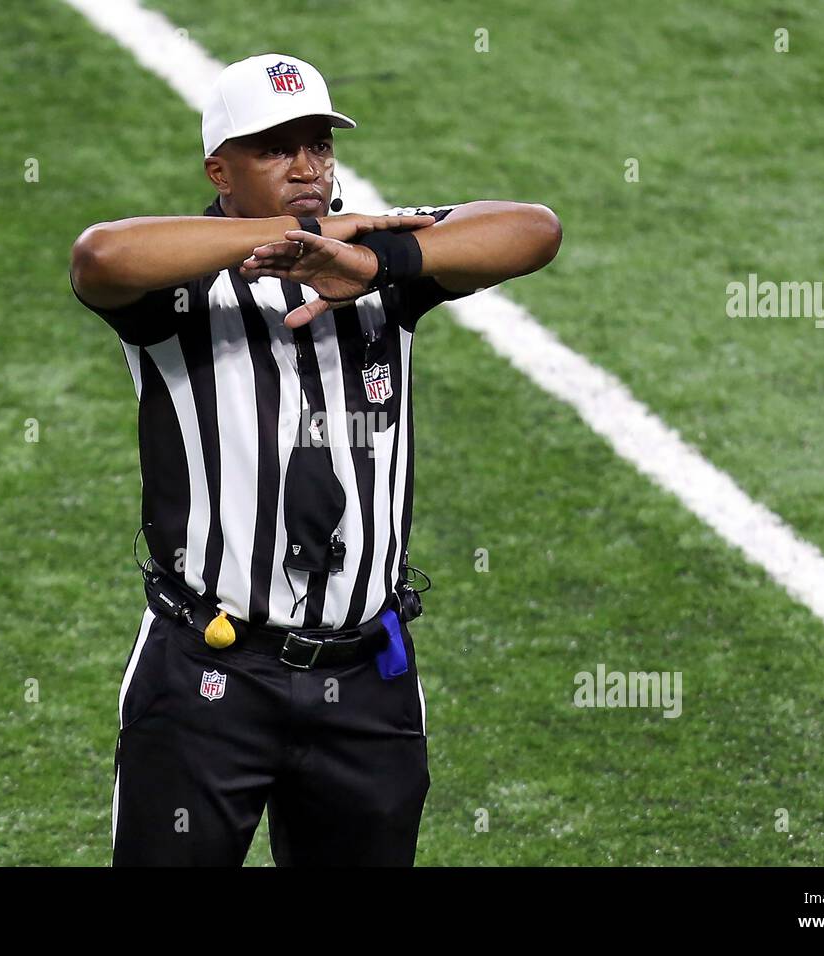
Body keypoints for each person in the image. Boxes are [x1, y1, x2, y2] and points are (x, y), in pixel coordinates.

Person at [70, 53, 561, 866]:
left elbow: (534, 229)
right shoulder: (184, 287)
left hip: (366, 681)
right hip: (210, 675)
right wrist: (295, 237)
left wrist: (375, 262)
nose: (308, 167)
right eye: (276, 149)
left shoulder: (377, 262)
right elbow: (100, 258)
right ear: (219, 170)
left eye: (319, 145)